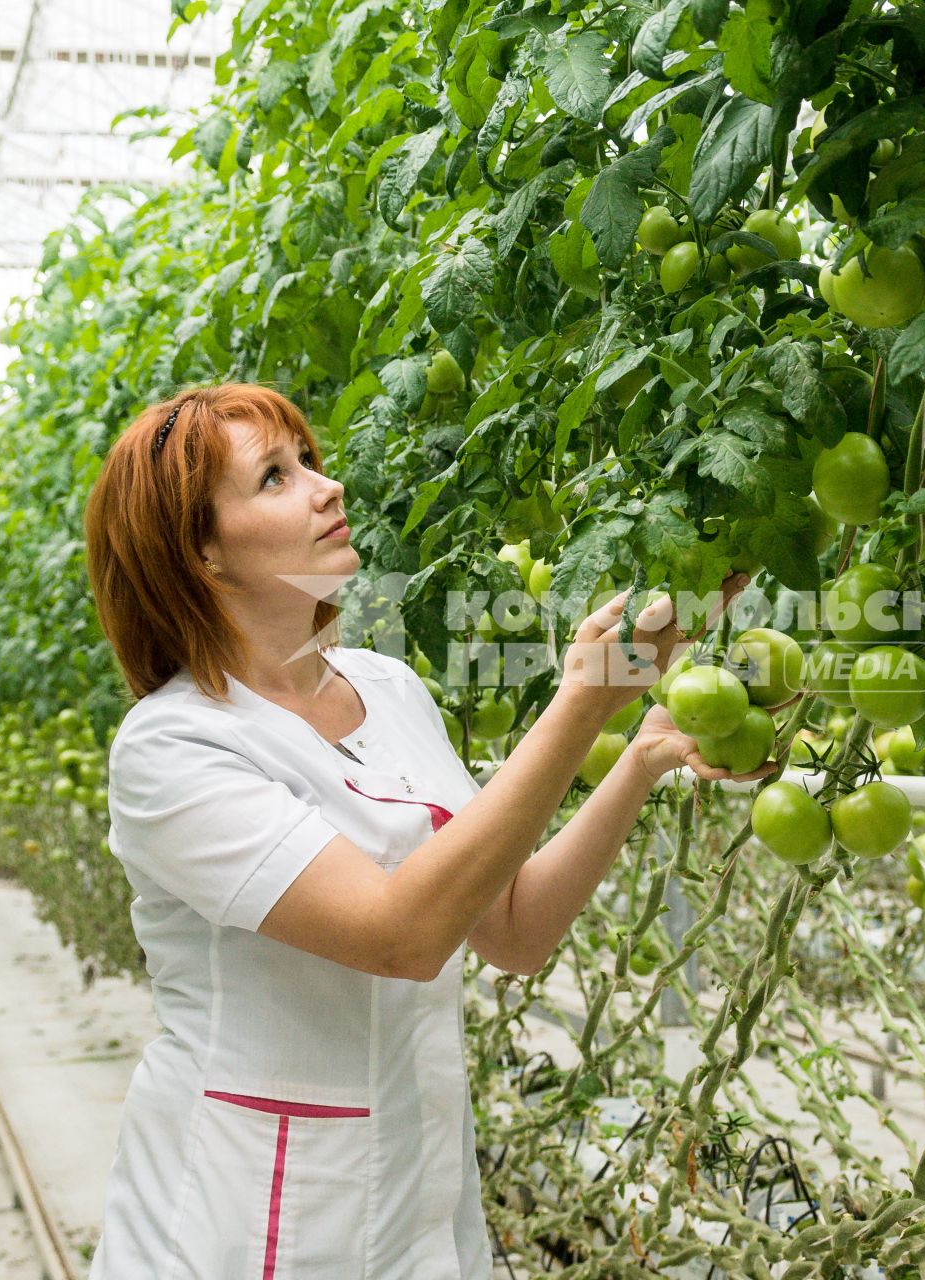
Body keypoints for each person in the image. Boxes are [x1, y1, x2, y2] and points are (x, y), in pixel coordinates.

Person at [78, 383, 775, 1279]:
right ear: (202, 551)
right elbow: (400, 934)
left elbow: (514, 928)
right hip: (245, 1219)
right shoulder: (176, 746)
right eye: (275, 479)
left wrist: (635, 756)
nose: (325, 489)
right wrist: (580, 702)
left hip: (422, 1198)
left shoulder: (388, 689)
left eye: (312, 464)